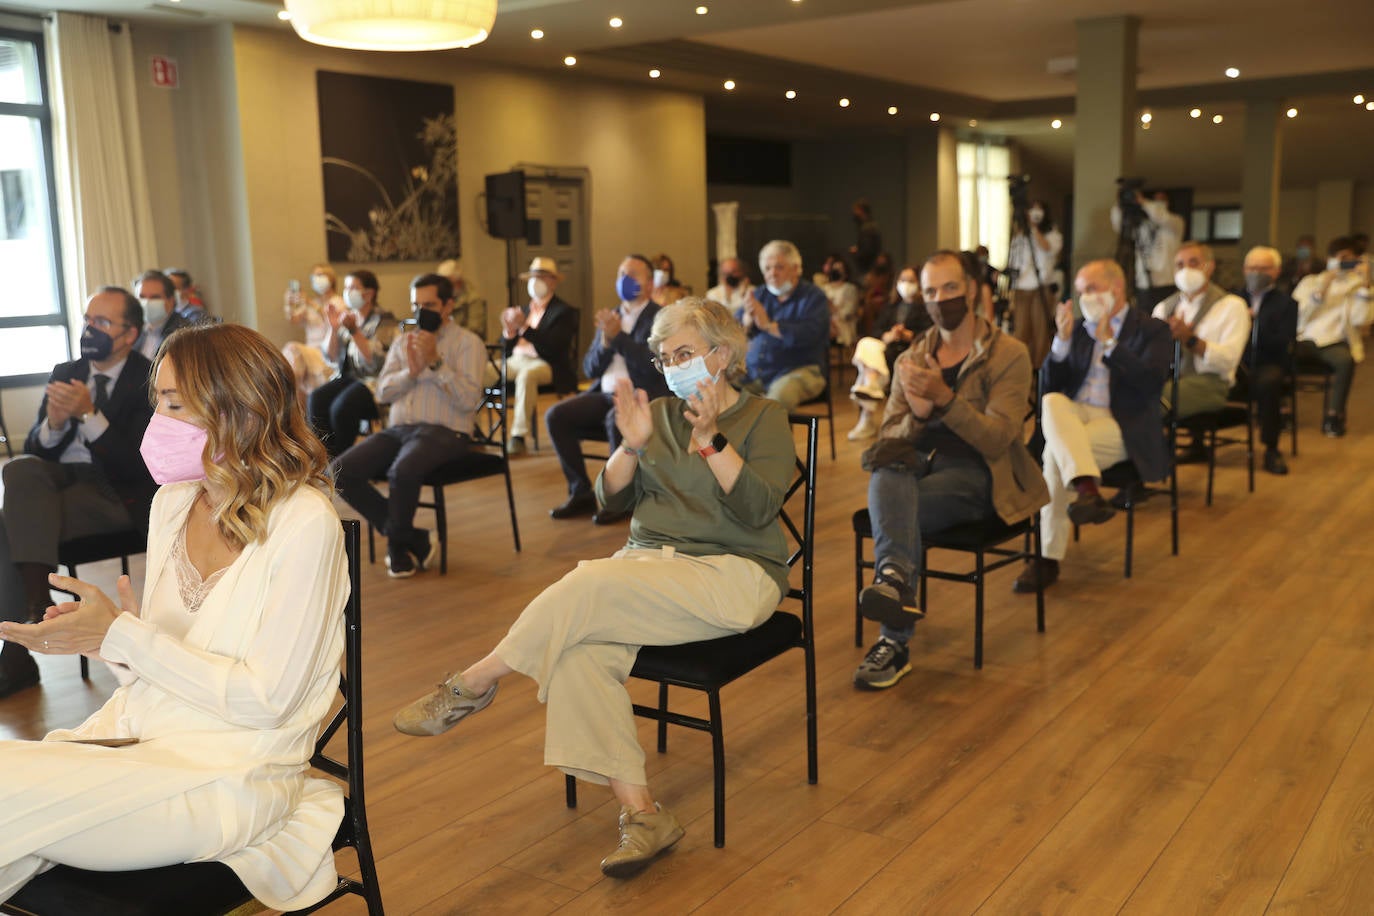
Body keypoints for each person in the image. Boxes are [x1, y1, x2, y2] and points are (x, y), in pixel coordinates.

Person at [392, 297, 794, 878]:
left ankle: (473, 682)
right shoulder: (658, 412)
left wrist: (709, 439)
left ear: (721, 354)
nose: (672, 366)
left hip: (734, 574)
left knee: (590, 582)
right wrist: (630, 445)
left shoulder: (763, 418)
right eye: (664, 358)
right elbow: (609, 501)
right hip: (648, 567)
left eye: (684, 353)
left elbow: (759, 510)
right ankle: (644, 815)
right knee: (579, 652)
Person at [0, 323, 349, 911]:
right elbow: (149, 676)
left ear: (235, 409)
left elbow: (268, 703)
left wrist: (126, 636)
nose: (156, 421)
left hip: (231, 776)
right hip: (140, 744)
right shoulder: (173, 503)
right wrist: (102, 640)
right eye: (158, 400)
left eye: (173, 403)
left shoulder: (304, 522)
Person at [853, 251, 1047, 690]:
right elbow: (888, 437)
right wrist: (917, 416)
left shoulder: (1009, 355)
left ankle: (893, 637)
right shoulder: (914, 356)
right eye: (931, 291)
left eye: (950, 289)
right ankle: (894, 582)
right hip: (916, 467)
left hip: (983, 474)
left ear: (973, 291)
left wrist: (945, 399)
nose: (941, 300)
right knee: (888, 468)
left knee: (900, 516)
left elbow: (999, 439)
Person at [0, 288, 155, 699]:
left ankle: (17, 650)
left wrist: (89, 414)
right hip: (58, 481)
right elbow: (36, 453)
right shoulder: (66, 369)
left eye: (102, 323)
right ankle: (36, 607)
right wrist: (52, 421)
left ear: (128, 334)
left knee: (9, 522)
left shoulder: (149, 377)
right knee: (18, 469)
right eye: (88, 319)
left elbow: (136, 465)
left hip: (115, 492)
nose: (90, 329)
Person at [1013, 260, 1172, 593]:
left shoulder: (1151, 329)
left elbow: (1151, 384)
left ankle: (1047, 558)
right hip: (1074, 418)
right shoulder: (1079, 330)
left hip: (1123, 424)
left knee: (1055, 459)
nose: (1083, 296)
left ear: (1115, 289)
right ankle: (1087, 490)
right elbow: (1049, 388)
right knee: (1051, 403)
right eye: (1080, 290)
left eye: (1091, 289)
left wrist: (1113, 346)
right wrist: (1061, 341)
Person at [333, 273, 486, 578]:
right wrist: (411, 374)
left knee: (402, 471)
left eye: (429, 305)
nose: (420, 312)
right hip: (400, 429)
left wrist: (435, 364)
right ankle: (410, 536)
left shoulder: (468, 343)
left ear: (448, 306)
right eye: (416, 305)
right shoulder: (404, 341)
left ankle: (397, 549)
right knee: (338, 471)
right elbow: (384, 390)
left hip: (446, 432)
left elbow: (469, 401)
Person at [545, 255, 669, 523]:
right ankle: (581, 492)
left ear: (649, 284)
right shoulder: (611, 315)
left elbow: (653, 366)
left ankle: (620, 498)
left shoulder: (659, 317)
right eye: (621, 273)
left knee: (617, 419)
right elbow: (590, 369)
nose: (625, 279)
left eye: (633, 274)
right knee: (556, 416)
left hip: (641, 396)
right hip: (603, 394)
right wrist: (604, 342)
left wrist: (619, 338)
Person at [1151, 241, 1252, 462]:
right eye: (1180, 265)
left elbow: (1228, 360)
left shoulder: (1231, 306)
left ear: (1209, 267)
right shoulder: (1163, 308)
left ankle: (1148, 467)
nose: (1186, 270)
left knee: (1151, 401)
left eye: (1193, 263)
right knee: (1132, 393)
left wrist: (1190, 339)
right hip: (1169, 378)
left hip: (1211, 383)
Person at [306, 269, 399, 458]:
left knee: (341, 407)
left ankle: (343, 463)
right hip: (348, 378)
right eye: (346, 287)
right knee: (316, 399)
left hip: (374, 383)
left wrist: (355, 332)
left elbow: (376, 363)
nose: (348, 292)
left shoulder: (384, 320)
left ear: (369, 293)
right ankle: (325, 459)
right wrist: (333, 328)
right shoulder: (348, 317)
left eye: (353, 287)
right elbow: (330, 357)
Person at [1292, 236, 1371, 438]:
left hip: (1335, 343)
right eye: (1338, 258)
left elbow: (1361, 320)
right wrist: (1323, 288)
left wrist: (1365, 285)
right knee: (1277, 353)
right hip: (1303, 338)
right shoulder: (1310, 282)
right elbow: (1297, 314)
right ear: (1329, 259)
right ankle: (1282, 411)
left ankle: (1333, 415)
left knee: (1346, 361)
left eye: (1348, 258)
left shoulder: (1359, 286)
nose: (1343, 262)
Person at [501, 257, 580, 455]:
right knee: (483, 370)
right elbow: (506, 348)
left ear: (553, 282)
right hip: (516, 359)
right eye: (533, 277)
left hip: (546, 364)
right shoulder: (524, 310)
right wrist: (509, 331)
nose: (535, 282)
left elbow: (553, 347)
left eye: (542, 277)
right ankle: (470, 430)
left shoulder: (563, 311)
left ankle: (518, 436)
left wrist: (524, 328)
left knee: (527, 375)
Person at [740, 240, 830, 410]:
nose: (772, 273)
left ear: (796, 269)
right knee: (717, 392)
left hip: (800, 371)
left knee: (774, 404)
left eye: (779, 267)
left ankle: (771, 437)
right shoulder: (759, 294)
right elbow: (733, 331)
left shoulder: (813, 296)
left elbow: (810, 335)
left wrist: (768, 325)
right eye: (767, 268)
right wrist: (747, 320)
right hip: (755, 373)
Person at [847, 265, 931, 440]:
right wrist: (889, 335)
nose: (906, 285)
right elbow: (877, 331)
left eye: (911, 281)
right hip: (888, 348)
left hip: (909, 351)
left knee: (869, 365)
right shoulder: (891, 306)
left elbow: (930, 333)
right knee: (866, 343)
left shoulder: (925, 308)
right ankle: (872, 384)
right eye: (902, 280)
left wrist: (909, 335)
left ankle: (868, 406)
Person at [1235, 246, 1298, 473]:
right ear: (1244, 270)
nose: (1256, 273)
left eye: (1263, 268)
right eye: (1252, 268)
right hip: (1234, 362)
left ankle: (1271, 448)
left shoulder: (1287, 304)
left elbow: (1282, 342)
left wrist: (1254, 324)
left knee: (1269, 383)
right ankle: (1198, 441)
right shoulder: (1231, 299)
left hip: (1267, 362)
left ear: (1276, 271)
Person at [1006, 199, 1063, 367]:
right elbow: (1015, 259)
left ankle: (1039, 368)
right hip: (1021, 287)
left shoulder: (1052, 233)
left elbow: (1047, 248)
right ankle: (1020, 366)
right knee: (1021, 330)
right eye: (1032, 209)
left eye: (1039, 209)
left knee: (1040, 331)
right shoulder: (1020, 235)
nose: (1035, 213)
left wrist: (1033, 228)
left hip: (1041, 287)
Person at [1110, 190, 1185, 312]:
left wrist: (1143, 201)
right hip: (1144, 284)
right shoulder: (1141, 226)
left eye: (1161, 200)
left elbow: (1161, 216)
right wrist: (1120, 204)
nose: (1157, 204)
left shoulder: (1175, 223)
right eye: (1154, 201)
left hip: (1168, 283)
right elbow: (1119, 225)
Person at [282, 264, 341, 401]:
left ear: (331, 279)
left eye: (320, 275)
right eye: (314, 276)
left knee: (293, 348)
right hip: (309, 350)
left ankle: (288, 395)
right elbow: (294, 319)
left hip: (326, 351)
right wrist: (288, 303)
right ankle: (290, 394)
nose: (316, 279)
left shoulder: (337, 301)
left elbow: (330, 318)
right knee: (293, 356)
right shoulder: (312, 302)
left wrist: (308, 302)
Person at [133, 269, 211, 361]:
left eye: (155, 297)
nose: (147, 302)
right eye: (142, 297)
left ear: (171, 301)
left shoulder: (185, 333)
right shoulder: (133, 329)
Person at [437, 257, 487, 340]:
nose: (444, 288)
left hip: (465, 345)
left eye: (448, 284)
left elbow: (475, 329)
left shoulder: (473, 299)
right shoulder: (438, 297)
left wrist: (448, 335)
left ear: (458, 282)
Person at [820, 254, 862, 348]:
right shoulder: (824, 289)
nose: (837, 271)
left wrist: (832, 307)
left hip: (843, 327)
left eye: (840, 269)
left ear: (846, 272)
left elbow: (847, 313)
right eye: (835, 268)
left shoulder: (850, 289)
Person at [849, 198, 882, 277]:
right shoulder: (868, 226)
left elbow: (868, 250)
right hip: (868, 266)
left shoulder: (868, 228)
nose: (854, 213)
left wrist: (856, 252)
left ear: (861, 210)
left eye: (856, 210)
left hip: (868, 267)